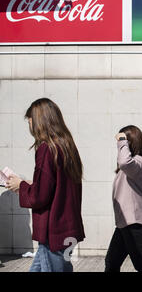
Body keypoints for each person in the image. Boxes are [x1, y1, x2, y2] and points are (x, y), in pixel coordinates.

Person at [6, 98, 85, 272]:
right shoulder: (67, 146)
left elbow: (40, 197)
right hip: (67, 227)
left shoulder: (46, 149)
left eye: (30, 120)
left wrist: (21, 186)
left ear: (39, 121)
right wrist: (31, 184)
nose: (29, 124)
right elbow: (56, 186)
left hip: (53, 231)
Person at [105, 125, 142, 272]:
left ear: (130, 142)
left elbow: (124, 162)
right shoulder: (134, 165)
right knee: (111, 262)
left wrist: (121, 139)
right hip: (126, 224)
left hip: (136, 224)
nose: (119, 146)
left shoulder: (139, 162)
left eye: (124, 142)